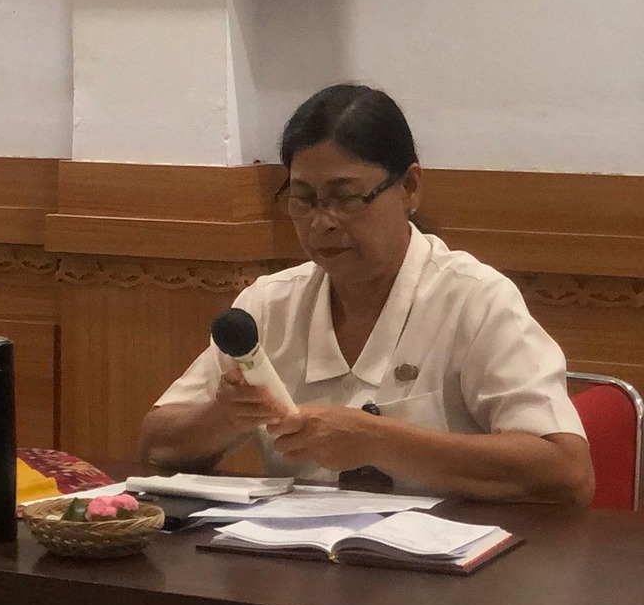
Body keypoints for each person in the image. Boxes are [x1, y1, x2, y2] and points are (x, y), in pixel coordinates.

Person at [136, 85, 594, 504]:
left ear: (409, 187)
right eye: (304, 199)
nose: (322, 222)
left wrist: (378, 440)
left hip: (450, 559)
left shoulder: (474, 299)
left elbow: (566, 471)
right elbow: (157, 445)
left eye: (346, 197)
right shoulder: (269, 305)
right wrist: (224, 415)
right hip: (294, 557)